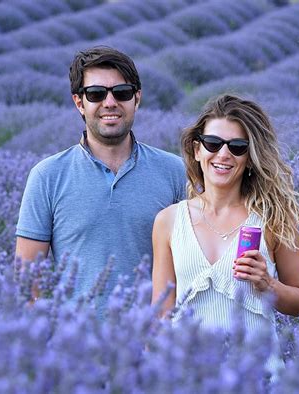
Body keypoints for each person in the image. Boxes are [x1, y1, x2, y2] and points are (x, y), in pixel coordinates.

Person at [15, 46, 186, 312]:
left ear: (137, 99)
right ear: (79, 102)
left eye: (122, 93)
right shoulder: (47, 176)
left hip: (156, 346)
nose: (110, 103)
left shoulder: (174, 171)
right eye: (96, 94)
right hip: (79, 347)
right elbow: (27, 283)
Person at [151, 94, 299, 376]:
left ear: (249, 159)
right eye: (213, 144)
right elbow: (161, 314)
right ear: (197, 149)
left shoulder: (272, 220)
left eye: (237, 147)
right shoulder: (168, 221)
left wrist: (267, 284)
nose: (223, 155)